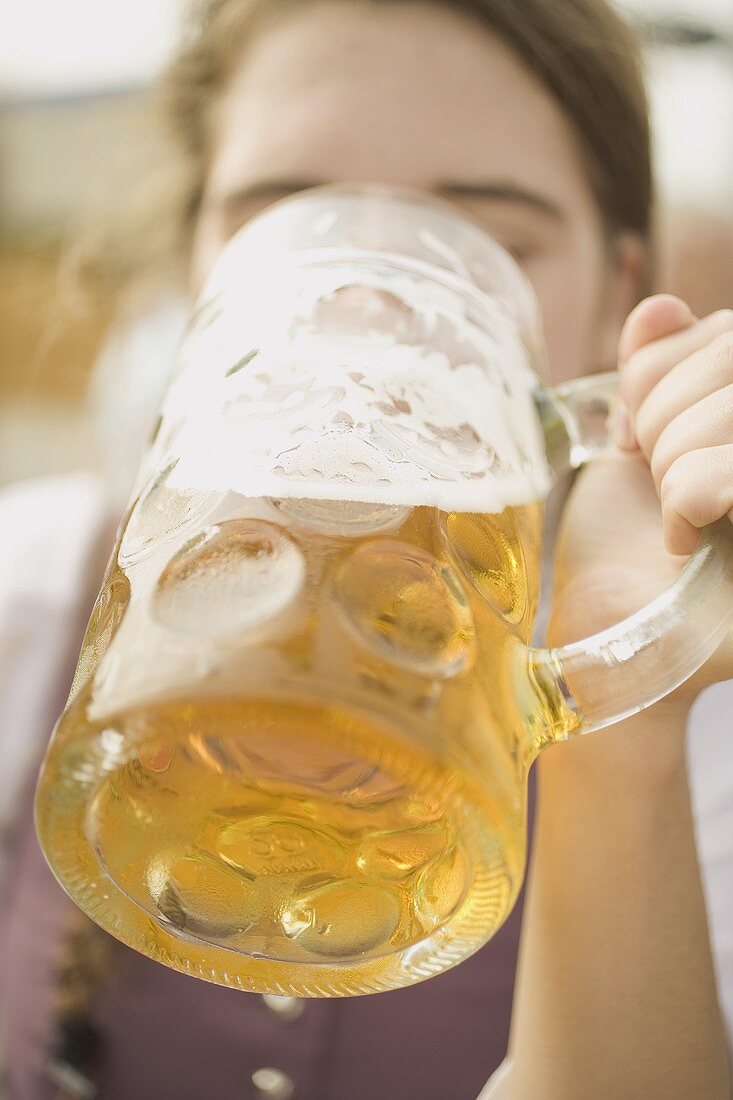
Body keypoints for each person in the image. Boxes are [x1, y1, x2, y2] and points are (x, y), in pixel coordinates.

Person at [1, 1, 732, 1097]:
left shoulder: (709, 728)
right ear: (191, 274)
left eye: (492, 237)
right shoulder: (24, 587)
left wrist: (627, 709)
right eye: (294, 218)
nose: (369, 304)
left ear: (616, 310)